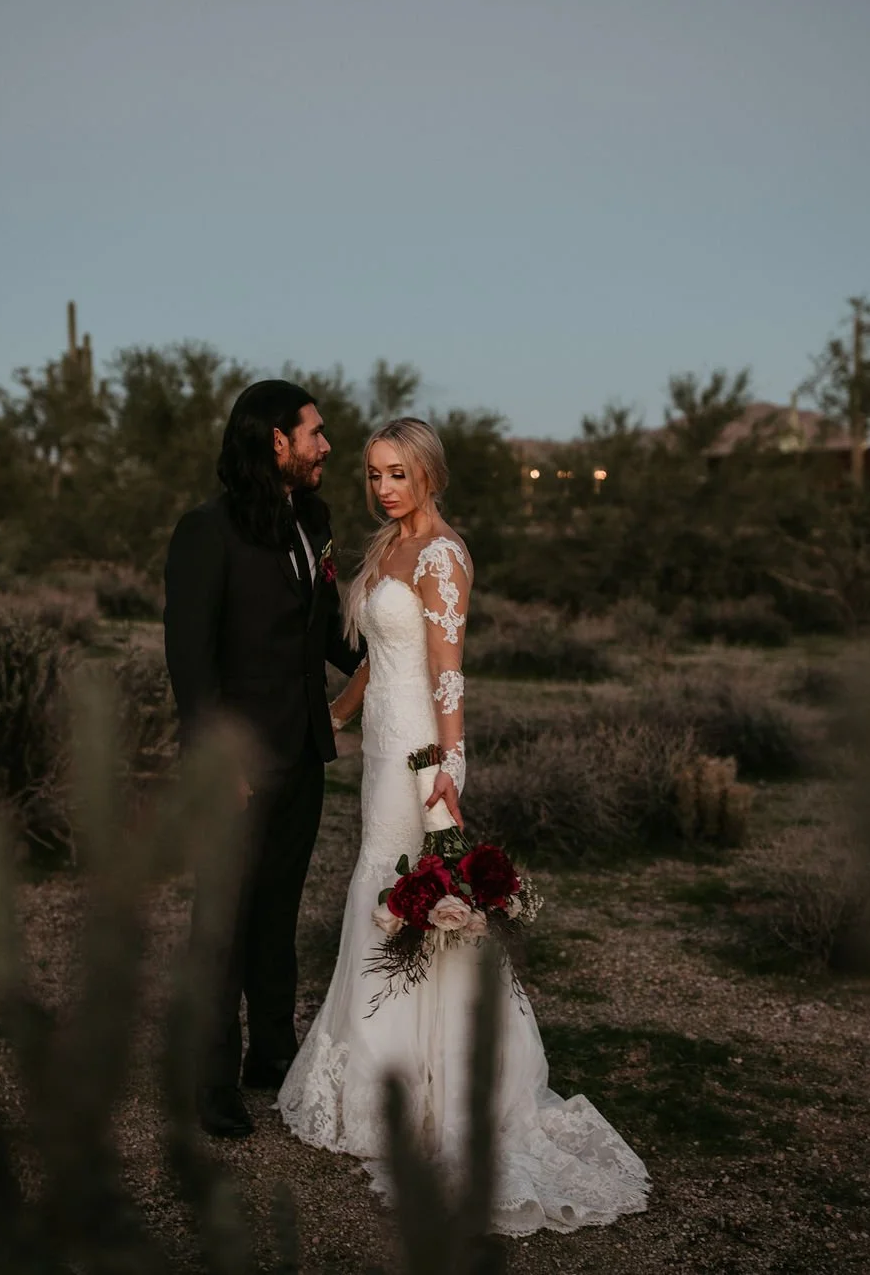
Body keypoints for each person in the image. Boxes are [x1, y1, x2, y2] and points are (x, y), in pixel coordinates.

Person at [276, 417, 650, 1235]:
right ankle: (375, 1072)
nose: (383, 488)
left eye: (399, 473)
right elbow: (377, 657)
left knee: (417, 894)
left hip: (421, 753)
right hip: (378, 747)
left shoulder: (444, 555)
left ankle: (433, 1085)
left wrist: (450, 768)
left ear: (431, 475)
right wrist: (327, 721)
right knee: (379, 879)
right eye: (374, 473)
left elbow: (447, 671)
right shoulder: (384, 549)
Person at [163, 379, 365, 1139]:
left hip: (304, 756)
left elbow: (328, 635)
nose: (326, 446)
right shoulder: (204, 531)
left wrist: (396, 653)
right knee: (220, 923)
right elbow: (190, 661)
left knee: (276, 917)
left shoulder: (314, 522)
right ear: (275, 441)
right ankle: (210, 1085)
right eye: (314, 433)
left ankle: (271, 1058)